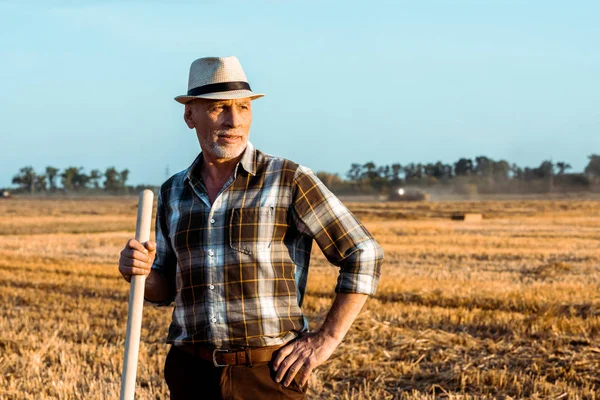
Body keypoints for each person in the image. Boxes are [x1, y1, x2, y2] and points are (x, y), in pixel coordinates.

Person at [118, 56, 383, 400]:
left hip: (268, 375)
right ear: (189, 115)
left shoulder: (288, 179)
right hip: (191, 374)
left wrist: (326, 339)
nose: (233, 120)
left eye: (242, 107)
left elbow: (364, 252)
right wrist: (139, 273)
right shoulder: (173, 192)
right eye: (218, 108)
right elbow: (165, 289)